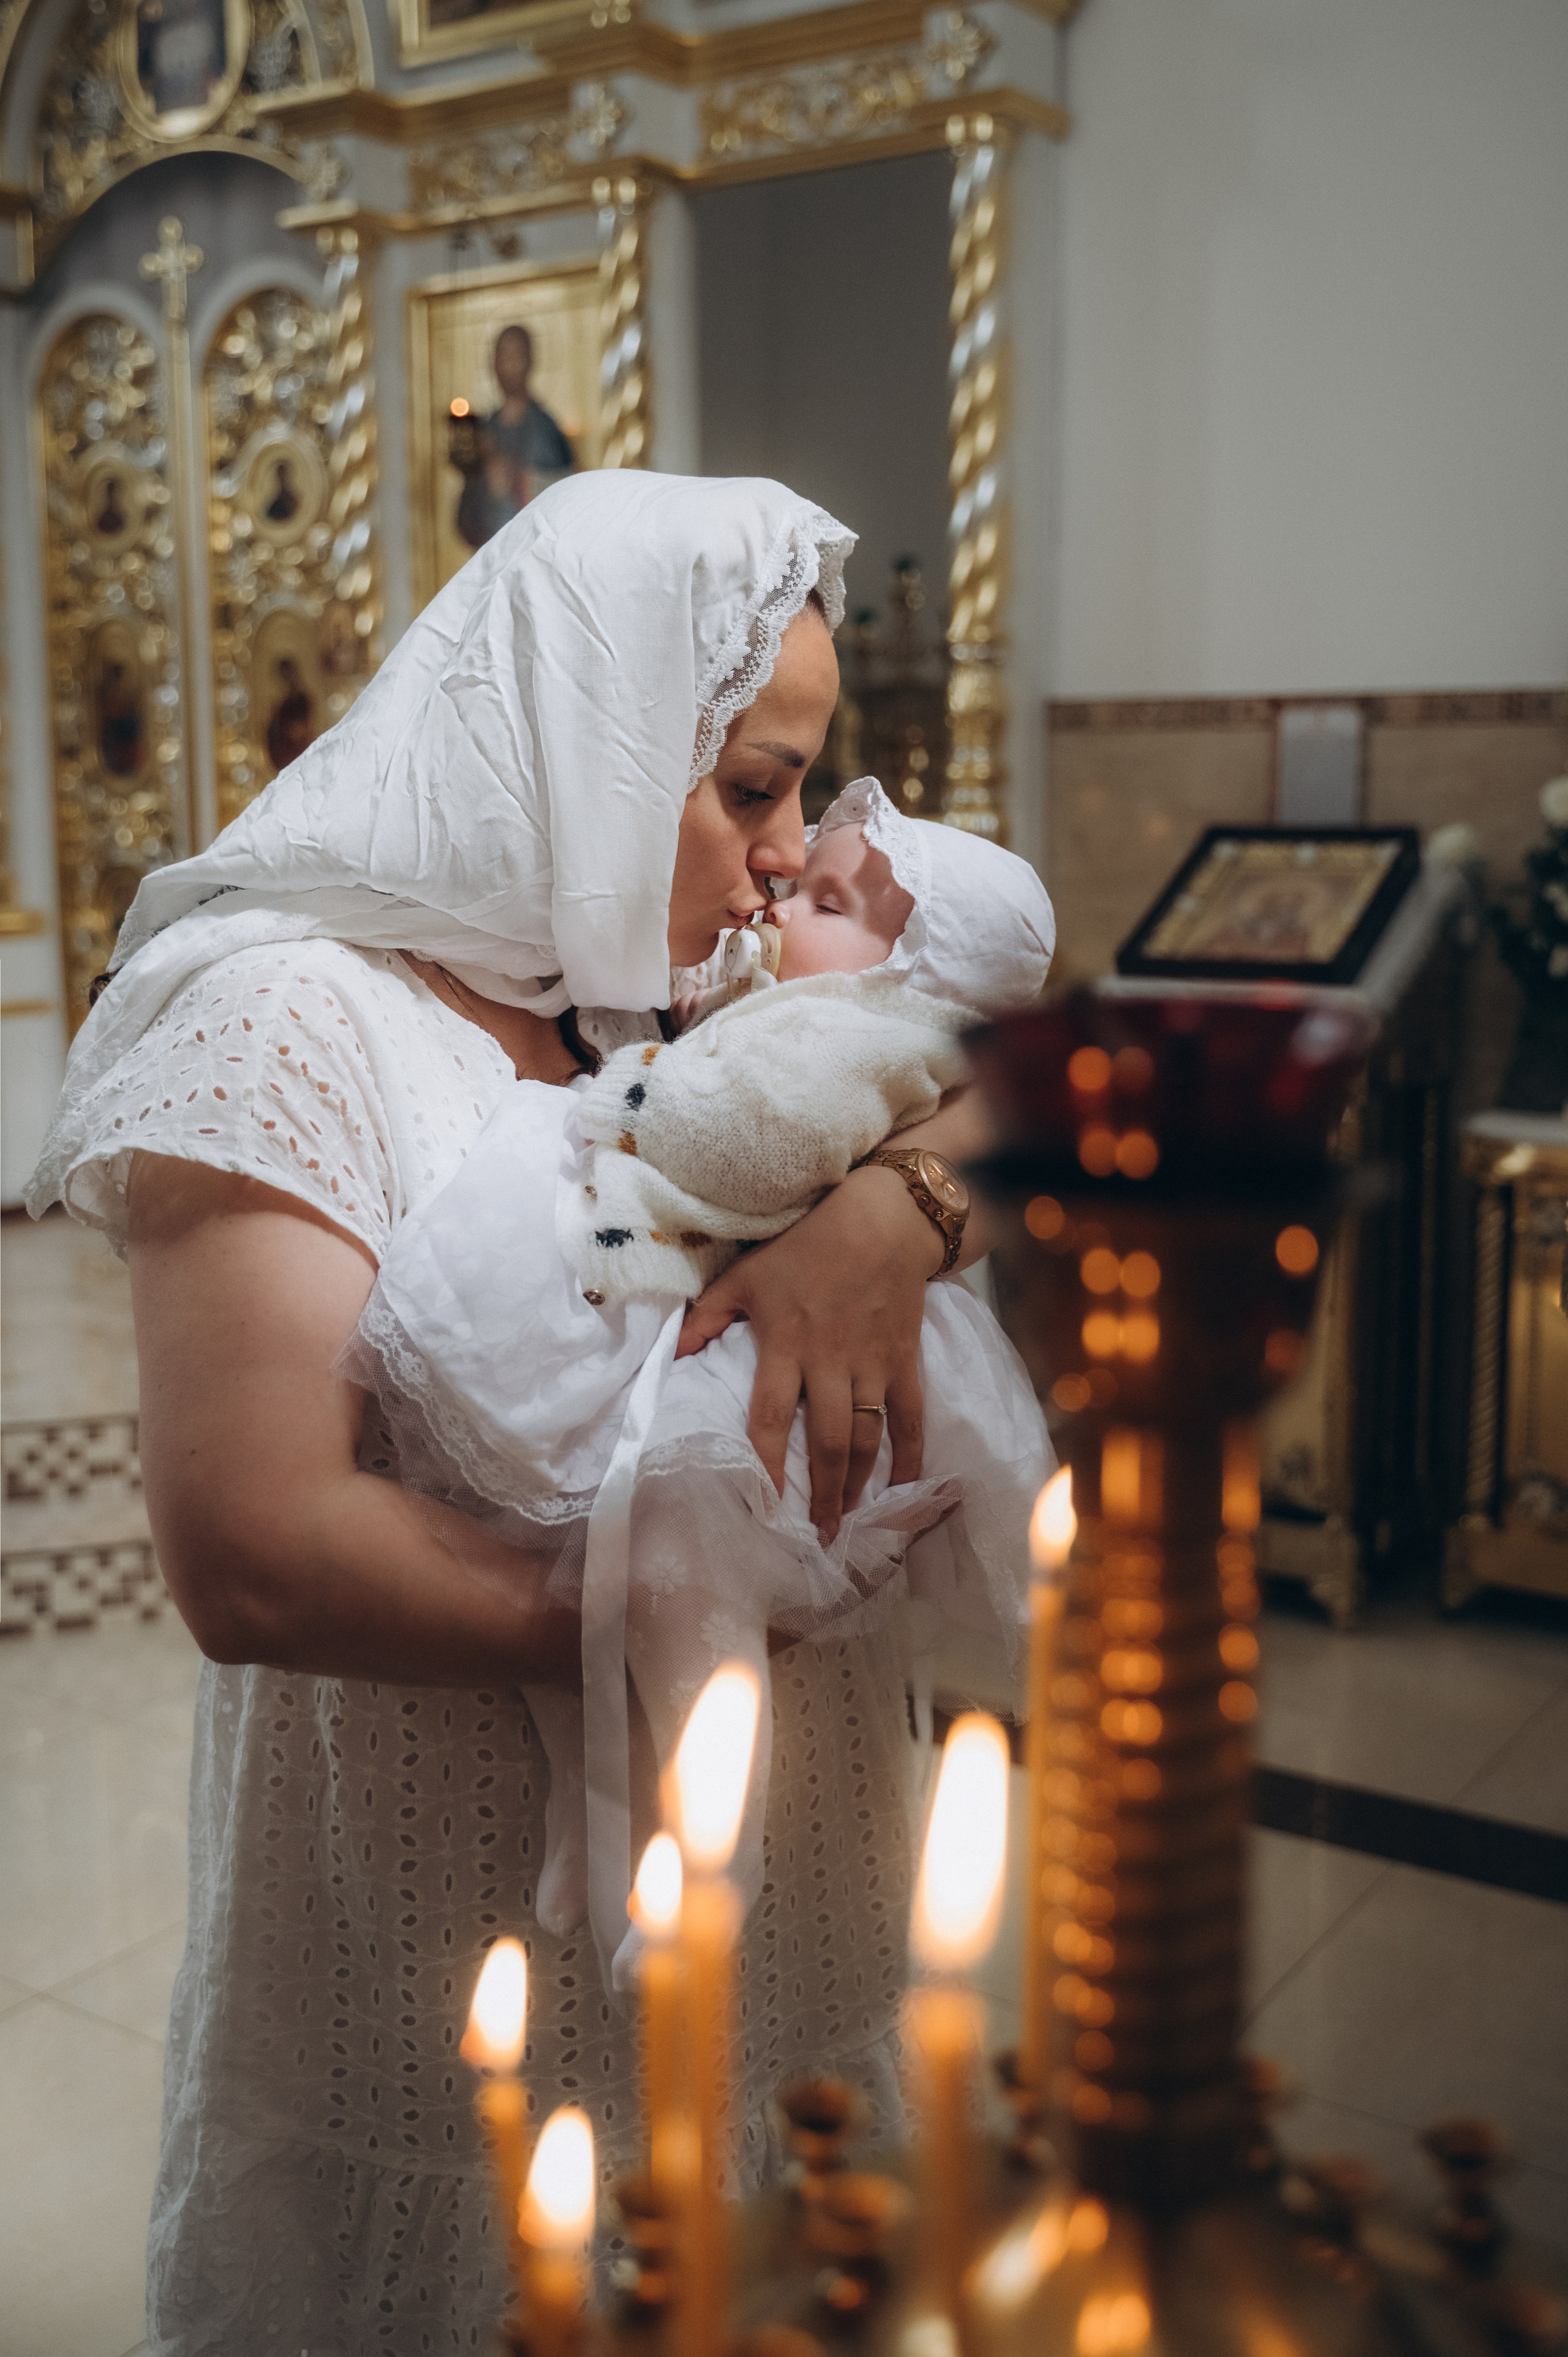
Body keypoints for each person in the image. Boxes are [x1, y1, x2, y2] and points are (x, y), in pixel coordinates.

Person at [26, 472, 1014, 2355]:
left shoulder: (671, 981)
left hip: (792, 1854)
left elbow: (982, 1054)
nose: (782, 851)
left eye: (797, 787)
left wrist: (896, 1213)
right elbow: (256, 1550)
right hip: (449, 1916)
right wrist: (721, 1601)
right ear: (597, 731)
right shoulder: (281, 1020)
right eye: (747, 786)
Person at [348, 774, 1056, 1970]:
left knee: (667, 1564)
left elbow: (742, 1139)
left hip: (731, 1374)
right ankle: (593, 1814)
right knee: (576, 1552)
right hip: (699, 1322)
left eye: (826, 898)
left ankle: (718, 1851)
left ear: (917, 961)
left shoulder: (864, 1026)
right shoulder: (803, 997)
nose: (781, 897)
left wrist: (619, 1110)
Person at [454, 324, 575, 551]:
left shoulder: (545, 428)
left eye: (516, 357)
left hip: (535, 554)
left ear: (530, 362)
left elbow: (563, 495)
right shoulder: (484, 431)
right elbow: (467, 517)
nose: (509, 366)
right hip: (490, 553)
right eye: (502, 358)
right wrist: (480, 482)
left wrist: (514, 480)